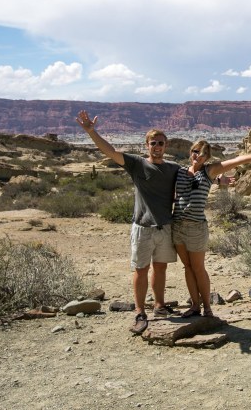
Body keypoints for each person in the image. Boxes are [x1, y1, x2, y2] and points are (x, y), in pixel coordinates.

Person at [76, 110, 180, 334]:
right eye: (153, 143)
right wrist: (92, 132)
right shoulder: (137, 164)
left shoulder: (173, 168)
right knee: (141, 269)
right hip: (142, 227)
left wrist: (220, 179)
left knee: (160, 268)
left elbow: (195, 175)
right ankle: (140, 312)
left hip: (165, 226)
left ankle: (159, 305)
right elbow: (111, 152)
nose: (157, 146)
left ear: (166, 145)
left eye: (161, 143)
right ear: (146, 145)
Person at [174, 141, 251, 318]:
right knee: (187, 267)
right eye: (195, 151)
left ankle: (207, 308)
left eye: (203, 154)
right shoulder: (180, 171)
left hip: (196, 227)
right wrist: (218, 181)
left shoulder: (209, 171)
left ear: (207, 157)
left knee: (198, 268)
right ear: (190, 152)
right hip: (177, 225)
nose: (198, 156)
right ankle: (194, 306)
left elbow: (235, 161)